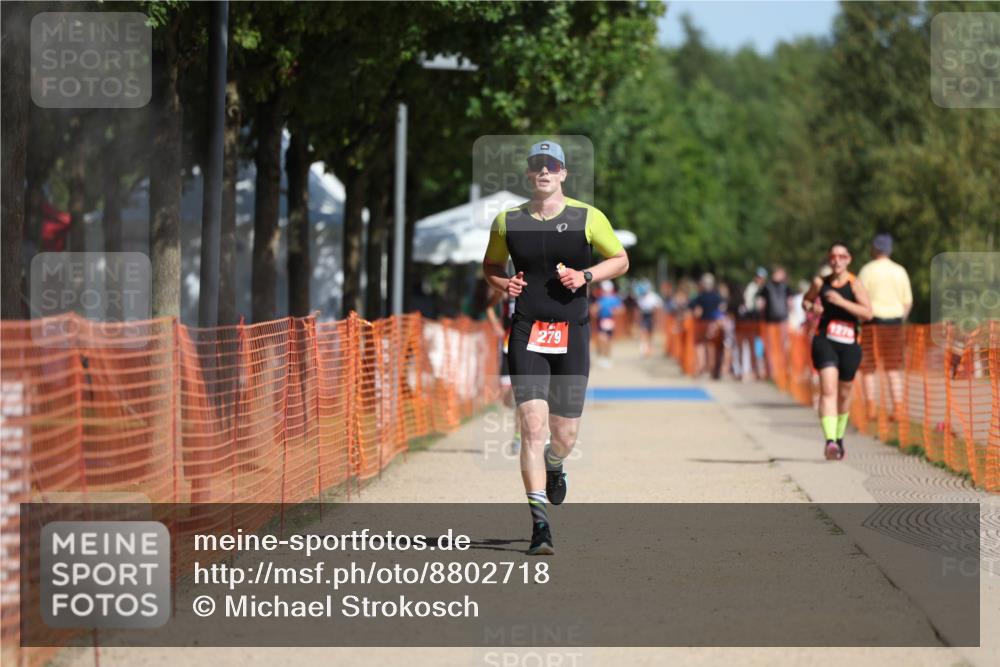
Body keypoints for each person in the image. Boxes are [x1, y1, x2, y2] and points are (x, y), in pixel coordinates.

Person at [482, 140, 629, 555]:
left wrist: (586, 275)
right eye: (537, 165)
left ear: (563, 173)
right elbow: (490, 266)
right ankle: (540, 526)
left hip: (572, 333)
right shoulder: (507, 221)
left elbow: (620, 259)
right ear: (529, 174)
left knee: (563, 435)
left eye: (552, 165)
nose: (544, 171)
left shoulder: (587, 216)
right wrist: (502, 283)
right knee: (531, 427)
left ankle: (556, 464)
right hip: (527, 331)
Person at [802, 243, 873, 460]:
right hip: (825, 340)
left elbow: (868, 313)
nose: (837, 261)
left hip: (850, 343)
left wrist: (841, 302)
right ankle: (830, 441)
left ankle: (839, 437)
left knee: (844, 393)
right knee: (828, 390)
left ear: (849, 259)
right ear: (829, 259)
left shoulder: (855, 284)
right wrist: (813, 307)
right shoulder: (820, 282)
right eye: (833, 257)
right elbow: (806, 301)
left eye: (842, 256)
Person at [857, 233, 912, 422]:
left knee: (868, 367)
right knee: (893, 367)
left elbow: (859, 298)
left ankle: (871, 408)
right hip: (894, 322)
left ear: (874, 249)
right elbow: (908, 302)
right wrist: (899, 319)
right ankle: (897, 408)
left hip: (871, 322)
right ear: (889, 250)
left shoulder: (867, 270)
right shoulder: (900, 271)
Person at [484, 285, 520, 454]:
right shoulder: (508, 291)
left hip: (526, 348)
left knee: (522, 397)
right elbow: (489, 307)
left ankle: (519, 437)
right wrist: (496, 326)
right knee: (507, 398)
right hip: (507, 347)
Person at [690, 273, 726, 379]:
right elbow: (722, 310)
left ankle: (701, 366)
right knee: (712, 347)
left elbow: (694, 309)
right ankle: (712, 368)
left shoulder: (699, 297)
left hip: (702, 323)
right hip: (713, 323)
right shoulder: (717, 297)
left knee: (700, 345)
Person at [593, 280, 623, 368]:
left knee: (608, 340)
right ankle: (603, 357)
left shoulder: (614, 298)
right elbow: (594, 309)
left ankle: (607, 357)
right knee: (602, 339)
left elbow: (621, 309)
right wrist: (596, 309)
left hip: (609, 320)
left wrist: (614, 311)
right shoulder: (600, 298)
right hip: (600, 320)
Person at [635, 280, 662, 358]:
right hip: (644, 316)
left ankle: (649, 349)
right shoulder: (640, 297)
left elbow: (657, 308)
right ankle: (643, 351)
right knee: (643, 333)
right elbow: (638, 309)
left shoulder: (653, 296)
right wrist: (637, 319)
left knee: (650, 334)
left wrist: (656, 319)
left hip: (651, 316)